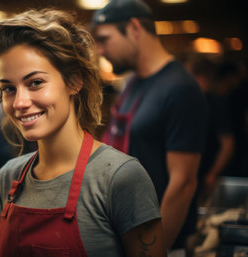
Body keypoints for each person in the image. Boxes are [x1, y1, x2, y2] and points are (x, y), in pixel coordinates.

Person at [0, 8, 167, 257]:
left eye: (35, 83)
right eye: (8, 88)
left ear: (74, 81)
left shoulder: (120, 178)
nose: (19, 102)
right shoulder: (8, 178)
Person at [91, 0, 207, 252]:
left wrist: (154, 248)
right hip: (124, 231)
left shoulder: (180, 89)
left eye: (104, 39)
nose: (100, 50)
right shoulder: (133, 83)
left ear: (134, 28)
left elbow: (183, 183)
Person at [184, 54, 234, 203]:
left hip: (207, 178)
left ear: (201, 78)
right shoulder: (190, 103)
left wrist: (213, 173)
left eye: (187, 76)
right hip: (192, 175)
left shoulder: (215, 104)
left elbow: (228, 144)